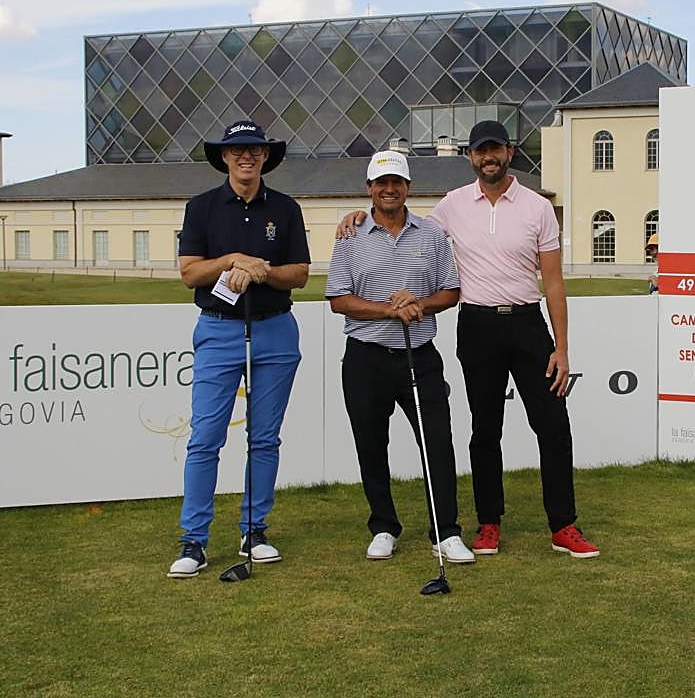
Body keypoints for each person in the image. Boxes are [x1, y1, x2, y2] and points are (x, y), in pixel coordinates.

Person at [338, 120, 600, 559]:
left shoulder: (537, 207)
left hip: (528, 323)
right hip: (477, 326)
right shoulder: (451, 206)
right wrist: (358, 216)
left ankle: (563, 525)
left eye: (495, 149)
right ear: (471, 157)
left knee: (553, 426)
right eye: (481, 151)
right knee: (485, 429)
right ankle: (489, 523)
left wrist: (562, 346)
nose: (488, 157)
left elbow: (553, 283)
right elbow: (401, 217)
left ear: (510, 152)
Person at [167, 120, 310, 579]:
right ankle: (195, 540)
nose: (246, 156)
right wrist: (231, 261)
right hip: (219, 329)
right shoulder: (202, 207)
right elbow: (190, 273)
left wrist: (260, 271)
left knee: (264, 437)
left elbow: (301, 274)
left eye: (255, 150)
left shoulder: (285, 209)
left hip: (274, 330)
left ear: (266, 156)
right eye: (237, 151)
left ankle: (255, 530)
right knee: (206, 438)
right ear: (224, 157)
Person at [326, 151, 474, 564]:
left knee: (437, 444)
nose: (389, 190)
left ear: (408, 187)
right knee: (371, 446)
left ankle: (445, 531)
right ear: (369, 188)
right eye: (381, 183)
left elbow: (451, 292)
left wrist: (419, 304)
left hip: (419, 355)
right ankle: (384, 526)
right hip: (365, 357)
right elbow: (339, 299)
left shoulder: (430, 235)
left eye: (397, 182)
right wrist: (388, 310)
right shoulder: (350, 236)